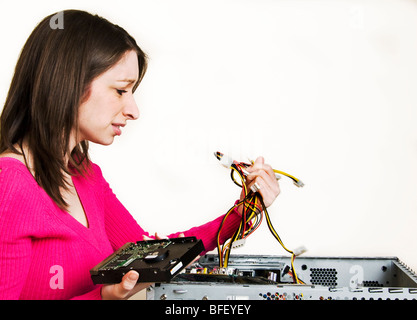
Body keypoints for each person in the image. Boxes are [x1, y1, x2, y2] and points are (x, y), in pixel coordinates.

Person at [0, 10, 280, 300]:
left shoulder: (85, 175)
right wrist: (103, 297)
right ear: (68, 82)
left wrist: (246, 210)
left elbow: (151, 256)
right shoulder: (9, 185)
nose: (134, 110)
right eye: (121, 91)